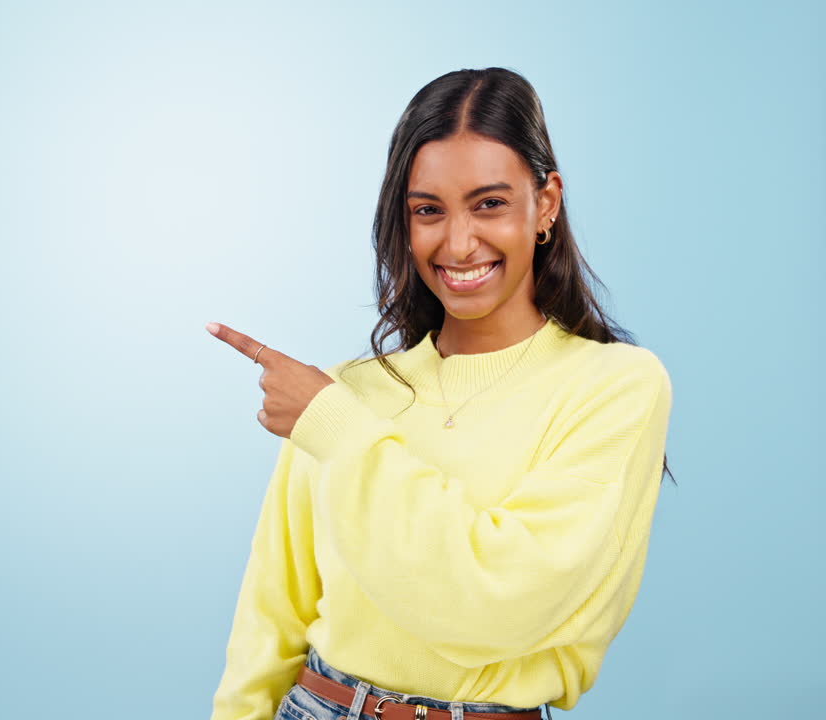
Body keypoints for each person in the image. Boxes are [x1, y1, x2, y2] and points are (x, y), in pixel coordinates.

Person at [204, 66, 675, 720]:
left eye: (489, 204)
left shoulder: (615, 386)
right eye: (428, 210)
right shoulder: (346, 392)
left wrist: (338, 432)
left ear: (546, 205)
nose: (458, 244)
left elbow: (499, 605)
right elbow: (271, 616)